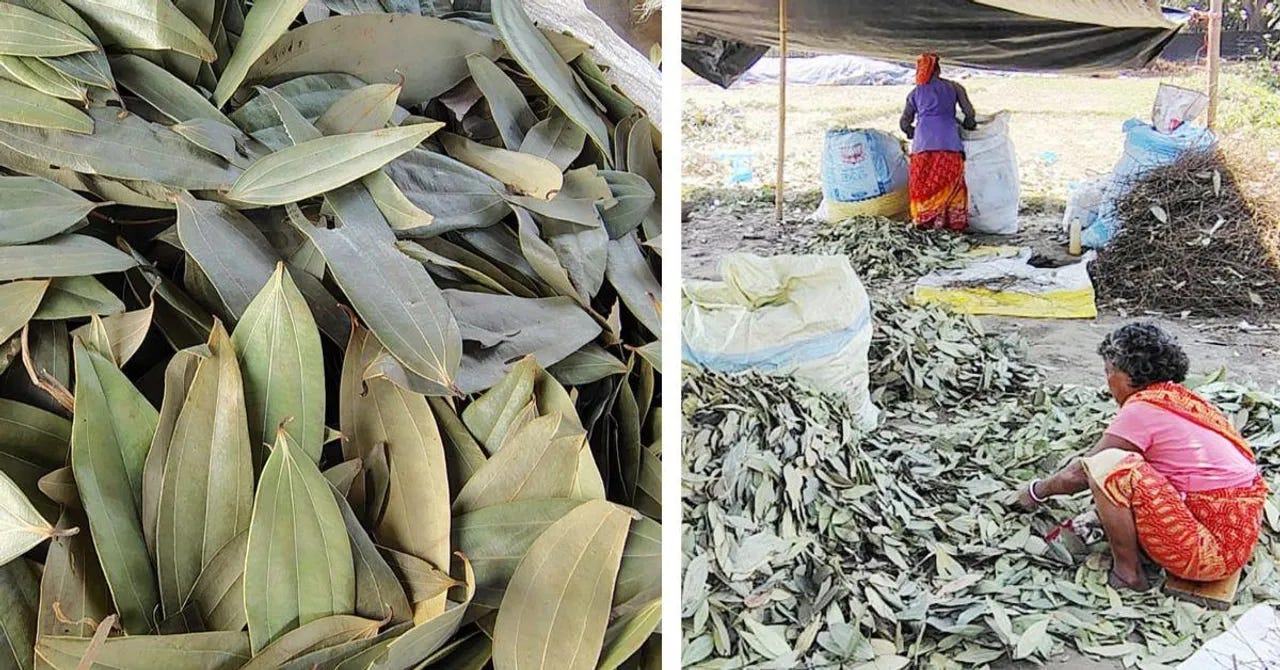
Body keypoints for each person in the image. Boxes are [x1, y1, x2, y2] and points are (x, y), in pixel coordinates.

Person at [1013, 322, 1268, 591]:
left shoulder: (1141, 411)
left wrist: (1035, 491)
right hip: (1239, 537)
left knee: (1109, 468)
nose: (1107, 381)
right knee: (1128, 466)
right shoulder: (1181, 399)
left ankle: (1128, 574)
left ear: (1125, 374)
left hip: (1208, 555)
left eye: (1109, 371)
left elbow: (1082, 473)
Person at [899, 53, 978, 231]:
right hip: (949, 143)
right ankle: (952, 223)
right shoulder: (954, 87)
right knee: (951, 183)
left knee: (923, 184)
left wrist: (912, 133)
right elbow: (969, 113)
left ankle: (925, 221)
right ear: (939, 70)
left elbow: (904, 122)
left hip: (922, 146)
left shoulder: (915, 93)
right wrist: (968, 126)